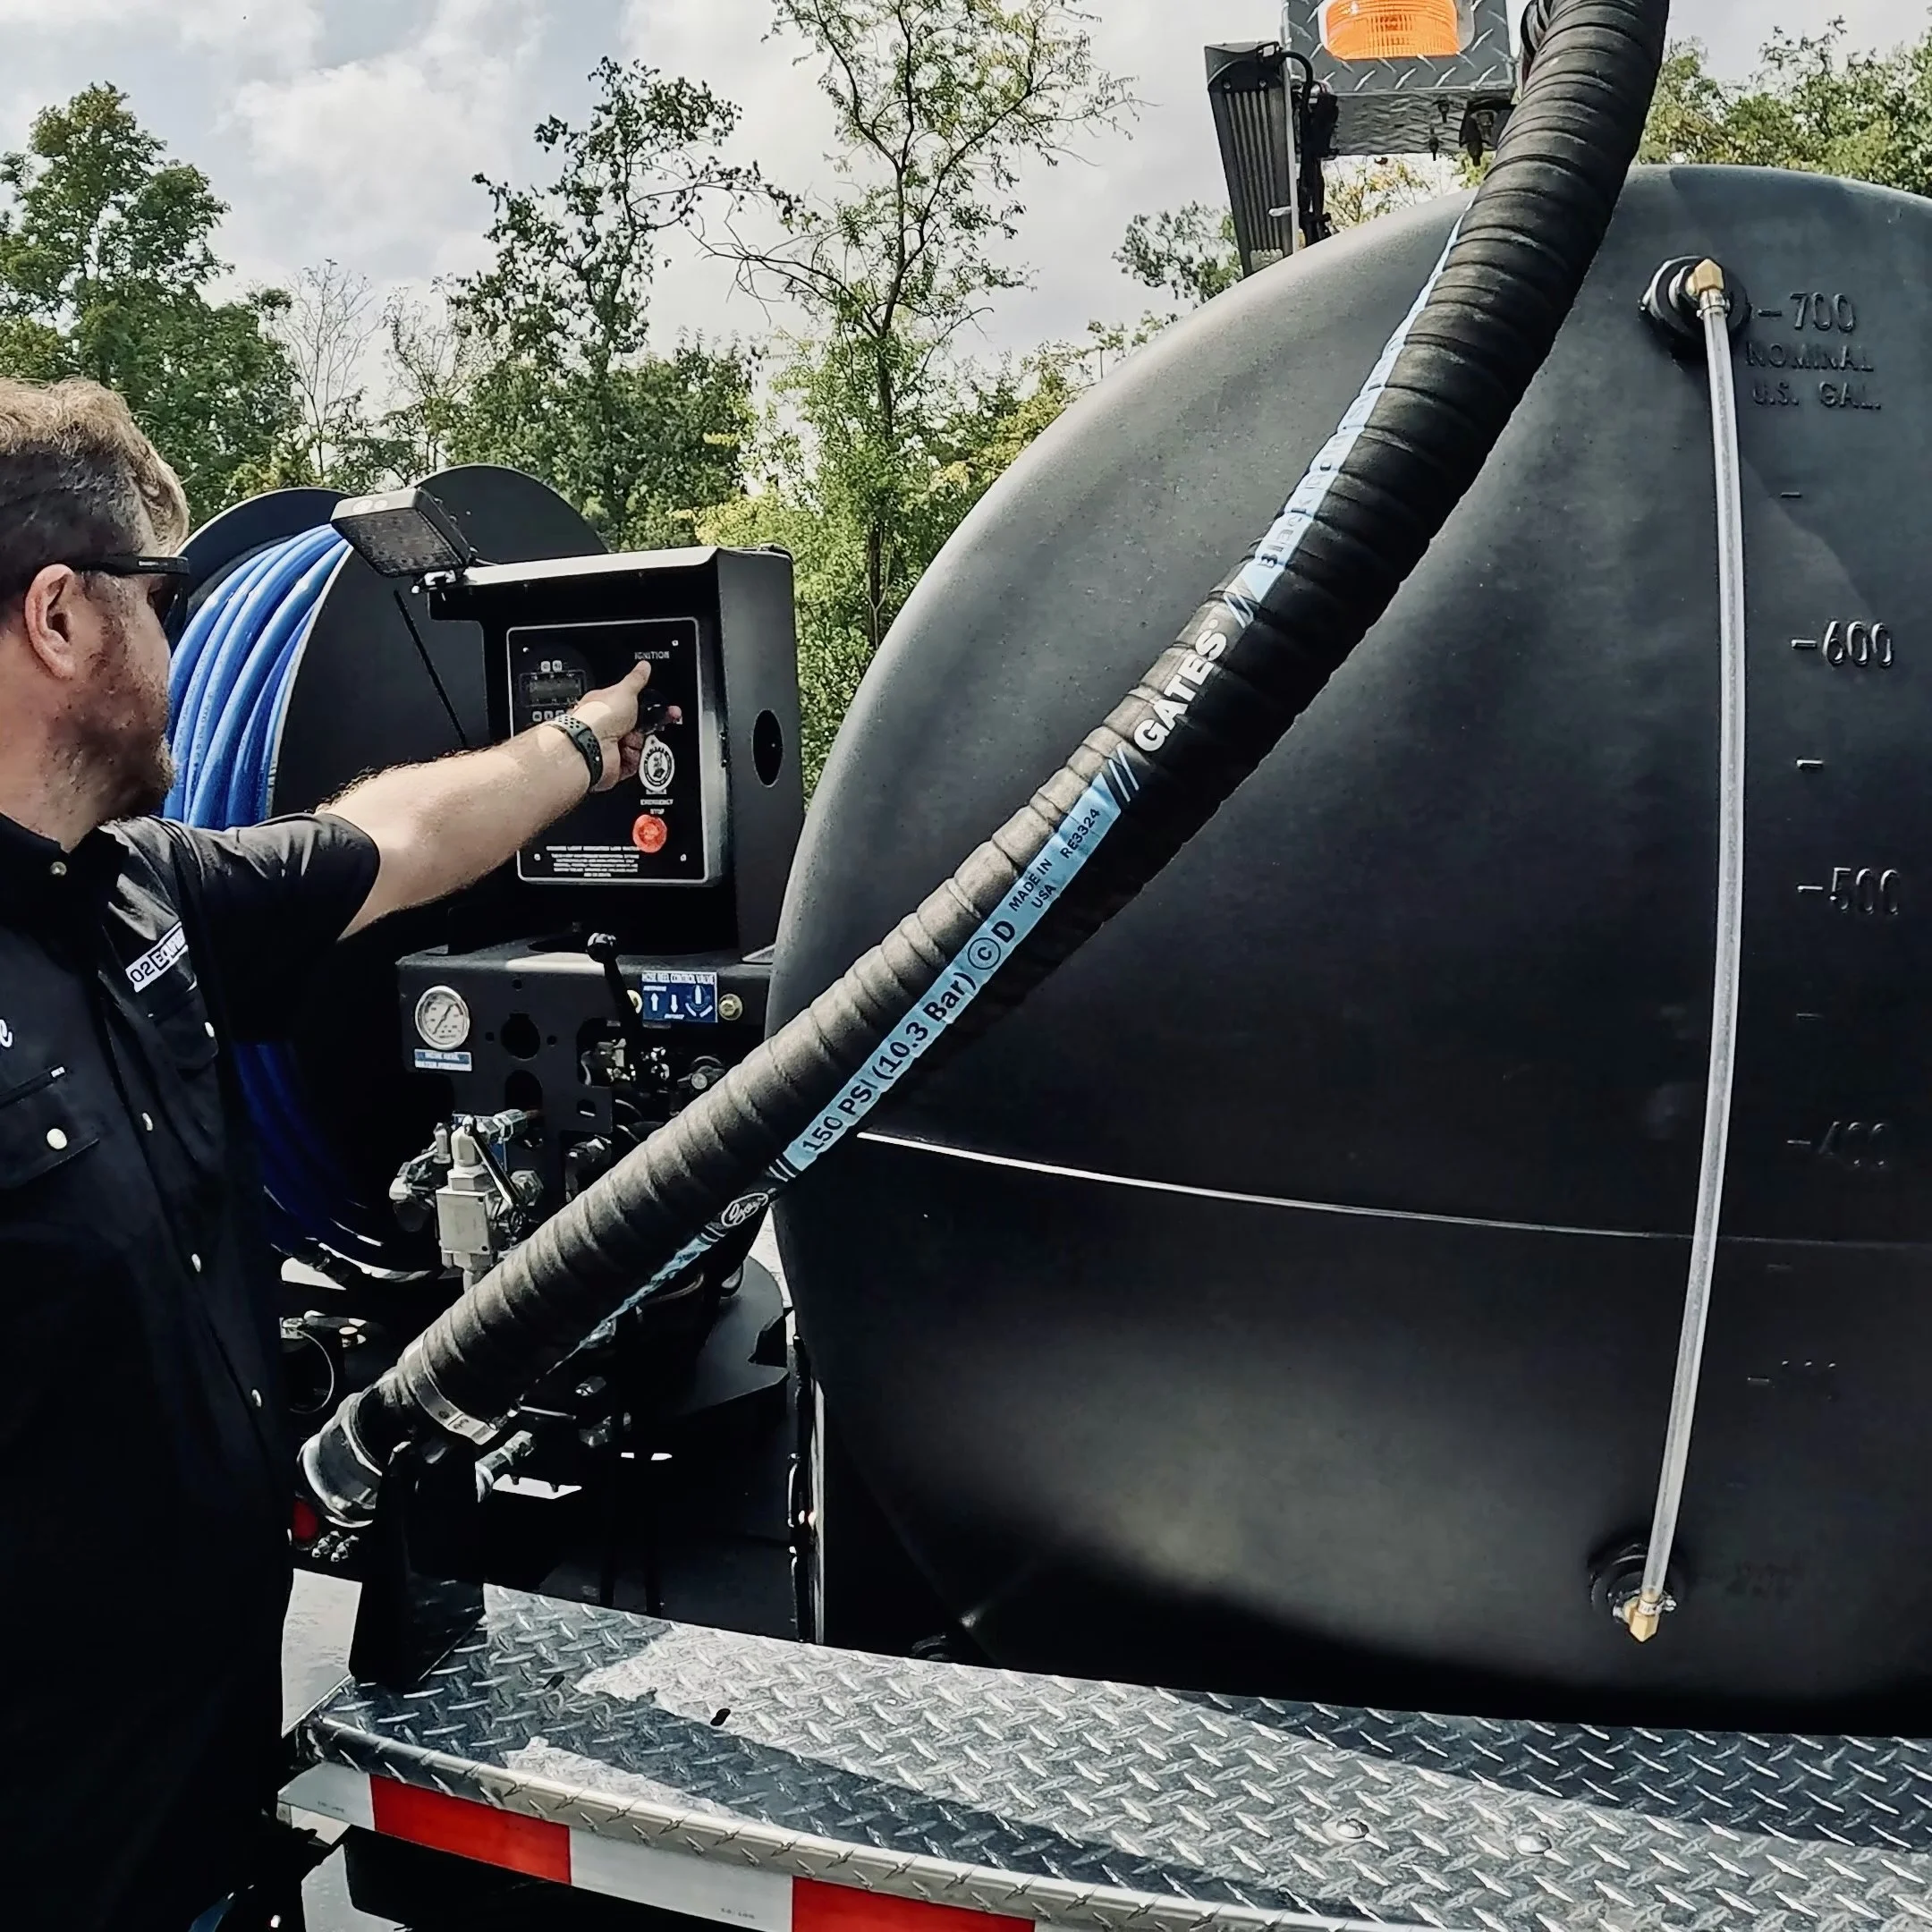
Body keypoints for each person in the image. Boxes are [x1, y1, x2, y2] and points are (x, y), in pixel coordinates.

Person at [0, 377, 666, 1930]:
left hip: (205, 1826)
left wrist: (592, 734)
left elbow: (408, 834)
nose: (181, 656)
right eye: (160, 609)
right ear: (59, 618)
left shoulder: (145, 899)